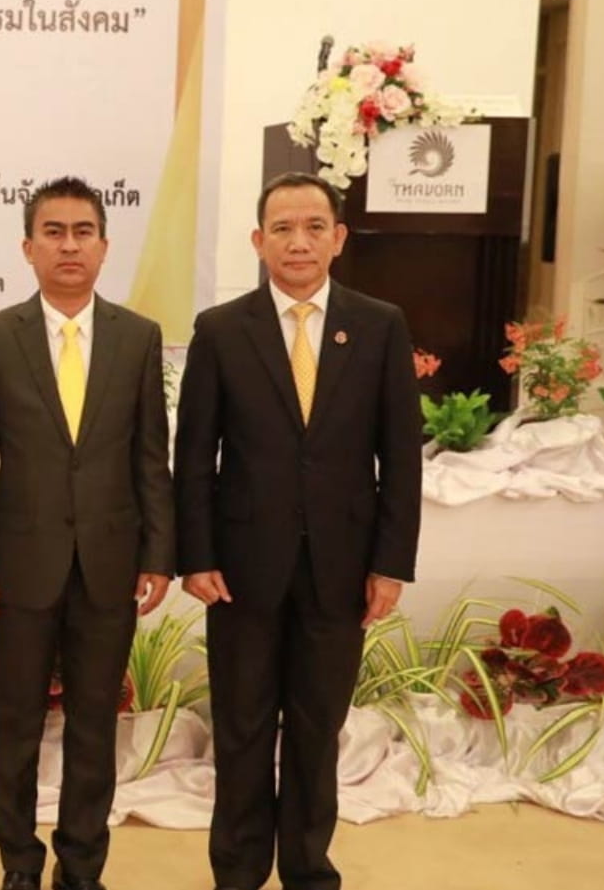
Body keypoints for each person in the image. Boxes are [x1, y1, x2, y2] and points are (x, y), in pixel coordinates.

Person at [175, 171, 421, 890]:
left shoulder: (379, 325)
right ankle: (238, 871)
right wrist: (196, 554)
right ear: (259, 241)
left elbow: (400, 456)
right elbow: (195, 455)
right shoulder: (222, 329)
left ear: (338, 238)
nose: (298, 241)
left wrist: (390, 563)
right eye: (282, 228)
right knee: (242, 728)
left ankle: (309, 870)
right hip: (241, 570)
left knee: (318, 730)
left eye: (314, 226)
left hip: (341, 567)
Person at [0, 177, 174, 890]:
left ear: (104, 246)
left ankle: (82, 867)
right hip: (17, 565)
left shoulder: (138, 337)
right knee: (14, 723)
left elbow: (151, 457)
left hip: (110, 563)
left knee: (94, 725)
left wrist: (158, 554)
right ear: (28, 248)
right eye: (53, 231)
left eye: (83, 231)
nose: (69, 245)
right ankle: (19, 863)